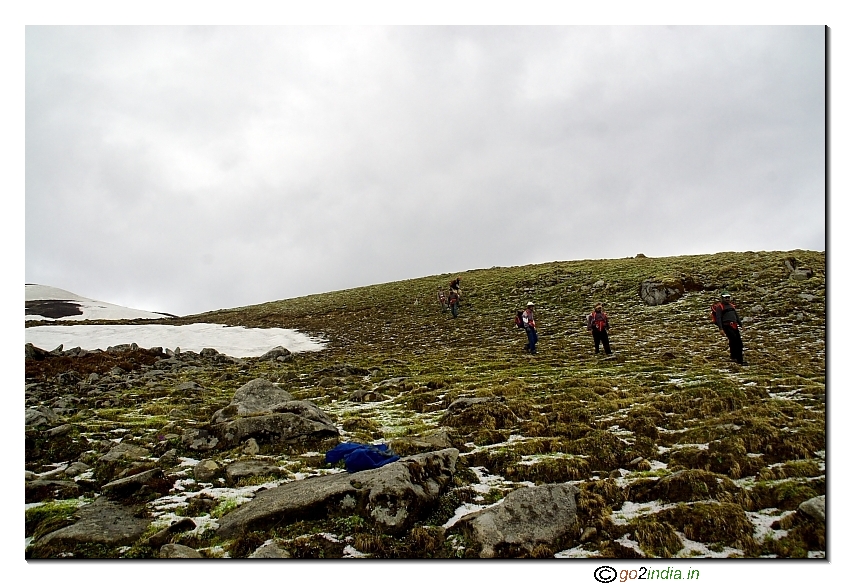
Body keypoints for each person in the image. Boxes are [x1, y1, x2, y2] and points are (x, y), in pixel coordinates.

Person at [712, 291, 745, 364]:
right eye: (725, 298)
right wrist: (721, 329)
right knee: (736, 341)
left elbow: (736, 316)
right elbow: (718, 318)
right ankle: (739, 360)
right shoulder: (719, 307)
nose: (727, 299)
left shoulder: (732, 306)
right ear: (722, 298)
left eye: (728, 297)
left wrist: (741, 325)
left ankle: (734, 356)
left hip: (734, 326)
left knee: (736, 342)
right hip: (727, 326)